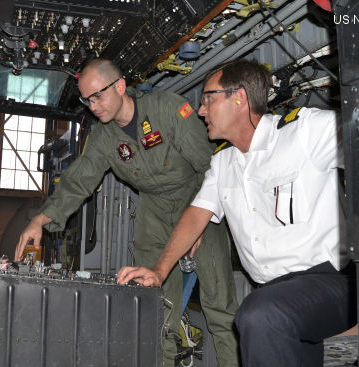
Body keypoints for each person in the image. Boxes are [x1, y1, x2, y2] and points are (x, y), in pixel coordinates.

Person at [117, 59, 357, 366]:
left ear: (239, 98)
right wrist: (160, 271)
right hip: (274, 293)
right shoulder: (223, 163)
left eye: (208, 99)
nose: (201, 111)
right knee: (265, 314)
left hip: (330, 283)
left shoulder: (305, 131)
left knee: (259, 315)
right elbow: (197, 213)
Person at [14, 59, 239, 367]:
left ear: (119, 87)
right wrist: (40, 220)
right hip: (154, 210)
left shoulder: (168, 109)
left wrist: (198, 222)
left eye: (98, 96)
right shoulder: (105, 137)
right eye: (86, 100)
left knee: (219, 304)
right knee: (156, 303)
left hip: (198, 198)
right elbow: (79, 179)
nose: (93, 106)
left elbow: (207, 167)